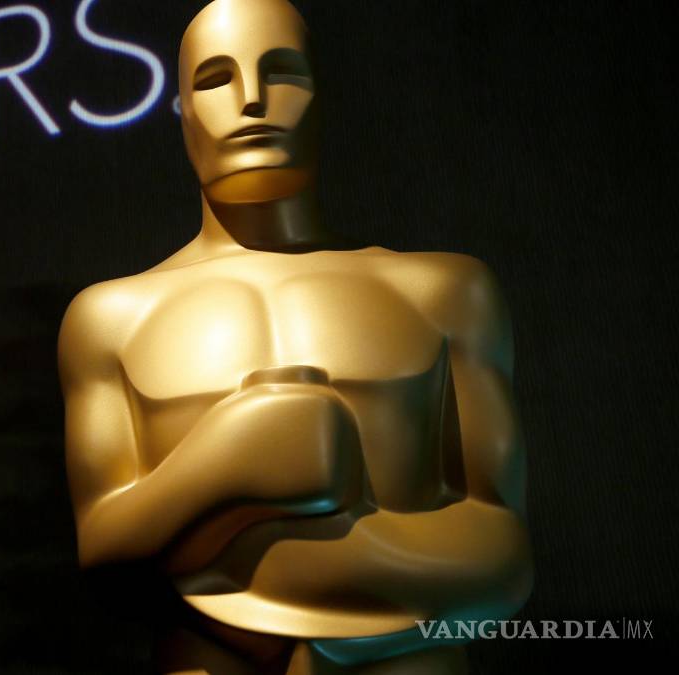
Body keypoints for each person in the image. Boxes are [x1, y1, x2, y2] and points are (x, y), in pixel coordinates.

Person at [58, 1, 533, 672]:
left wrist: (339, 561)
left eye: (281, 72)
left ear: (323, 96)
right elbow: (103, 553)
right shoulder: (111, 318)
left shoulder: (443, 293)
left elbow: (504, 549)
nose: (252, 100)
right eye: (216, 79)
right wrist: (226, 461)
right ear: (182, 111)